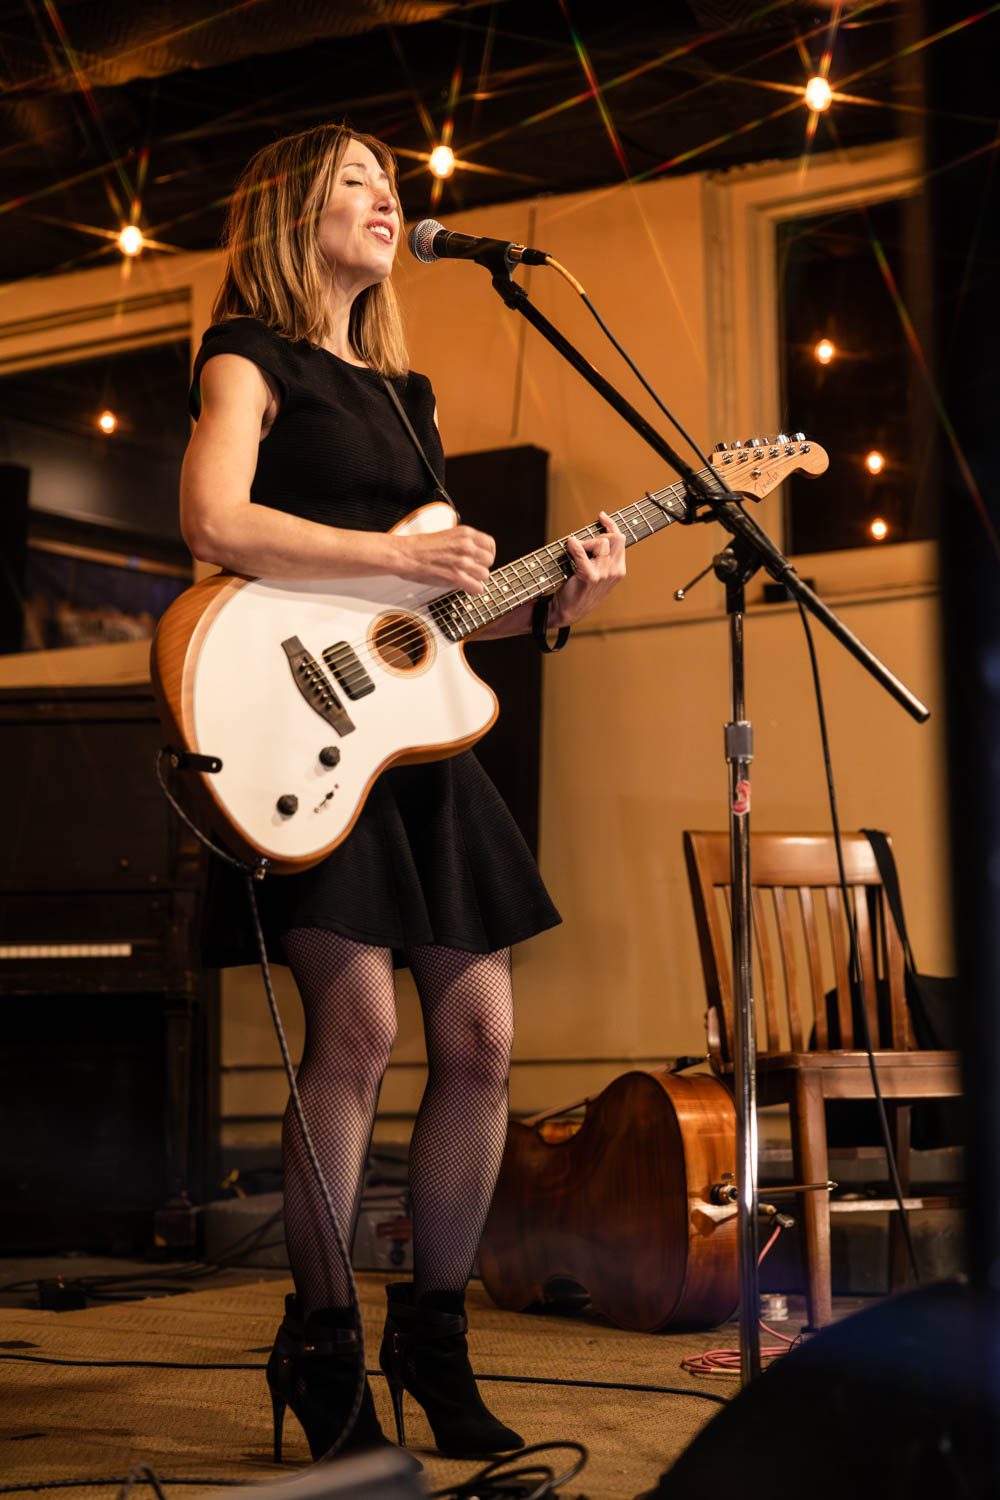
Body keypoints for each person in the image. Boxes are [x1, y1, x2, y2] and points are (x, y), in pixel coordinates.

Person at [179, 122, 626, 1465]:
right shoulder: (246, 360)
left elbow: (426, 616)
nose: (389, 202)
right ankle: (321, 1347)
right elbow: (214, 522)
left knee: (483, 1036)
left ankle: (433, 1339)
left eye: (396, 185)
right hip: (294, 738)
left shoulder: (411, 395)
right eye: (358, 182)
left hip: (416, 746)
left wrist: (559, 600)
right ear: (290, 210)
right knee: (359, 1027)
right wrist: (385, 550)